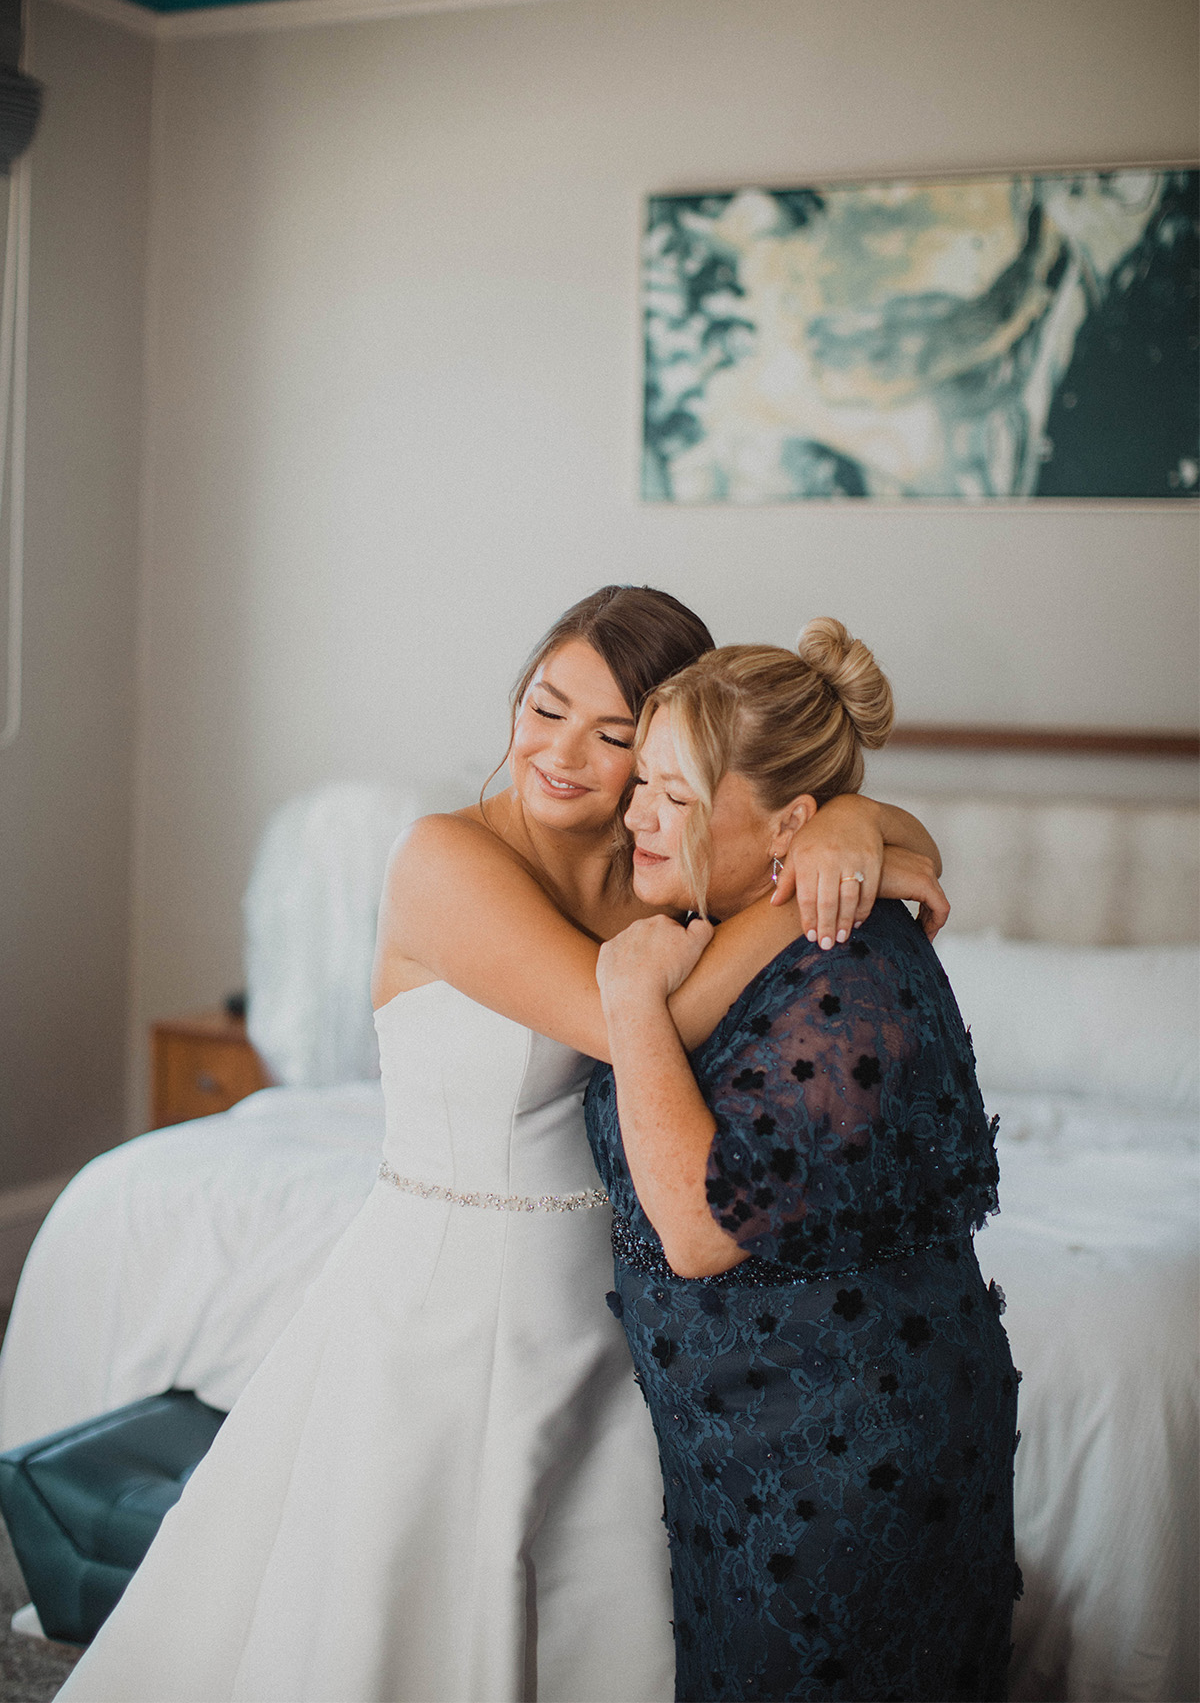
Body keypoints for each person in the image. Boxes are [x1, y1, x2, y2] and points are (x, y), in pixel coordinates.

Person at [59, 588, 946, 1703]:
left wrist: (856, 828)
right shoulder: (442, 861)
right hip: (443, 1304)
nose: (562, 753)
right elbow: (629, 1021)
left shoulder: (660, 870)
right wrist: (798, 891)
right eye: (544, 706)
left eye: (617, 737)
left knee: (596, 1622)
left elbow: (886, 832)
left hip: (607, 1311)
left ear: (673, 758)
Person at [585, 622, 1020, 1703]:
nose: (635, 815)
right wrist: (866, 820)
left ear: (790, 827)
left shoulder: (850, 968)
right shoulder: (730, 914)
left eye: (674, 797)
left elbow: (694, 1226)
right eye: (642, 781)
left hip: (848, 1465)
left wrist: (628, 999)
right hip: (745, 1445)